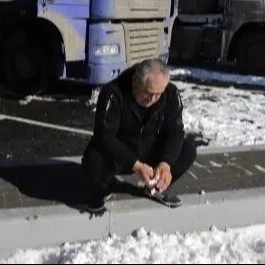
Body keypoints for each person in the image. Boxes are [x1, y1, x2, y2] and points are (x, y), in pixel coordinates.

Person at [82, 58, 197, 213]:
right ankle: (105, 186)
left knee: (188, 148)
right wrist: (135, 165)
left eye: (158, 94)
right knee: (94, 160)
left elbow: (175, 131)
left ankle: (157, 186)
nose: (152, 99)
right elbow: (104, 137)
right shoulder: (113, 93)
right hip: (121, 151)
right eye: (148, 93)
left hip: (149, 148)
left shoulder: (170, 93)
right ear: (135, 81)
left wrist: (165, 163)